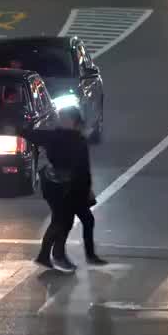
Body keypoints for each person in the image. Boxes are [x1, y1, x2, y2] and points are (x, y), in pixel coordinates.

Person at [22, 107, 96, 271]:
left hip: (58, 185)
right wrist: (87, 190)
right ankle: (53, 255)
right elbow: (82, 168)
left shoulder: (61, 136)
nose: (60, 120)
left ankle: (53, 255)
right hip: (63, 186)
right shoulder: (70, 138)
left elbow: (30, 134)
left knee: (63, 220)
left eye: (63, 118)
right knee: (61, 220)